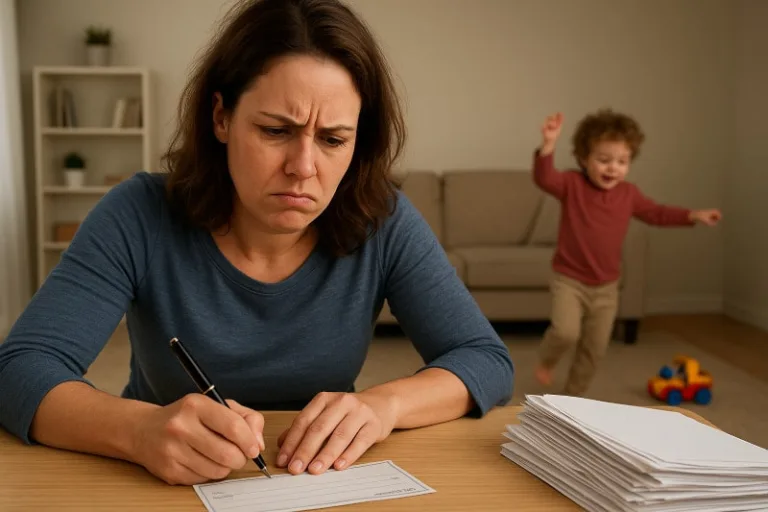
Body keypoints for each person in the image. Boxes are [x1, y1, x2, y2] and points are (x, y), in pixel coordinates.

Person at [0, 0, 513, 486]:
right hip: (157, 482)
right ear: (221, 117)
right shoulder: (139, 214)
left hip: (318, 481)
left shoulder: (384, 220)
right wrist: (138, 431)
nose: (304, 168)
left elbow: (483, 359)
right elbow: (19, 370)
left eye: (333, 140)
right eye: (275, 130)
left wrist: (386, 406)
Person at [532, 109, 721, 396]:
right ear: (584, 159)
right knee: (565, 332)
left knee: (594, 349)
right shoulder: (572, 184)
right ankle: (547, 360)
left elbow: (657, 213)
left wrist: (692, 215)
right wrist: (548, 144)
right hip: (569, 280)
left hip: (607, 288)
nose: (613, 168)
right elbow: (545, 179)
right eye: (603, 160)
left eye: (622, 161)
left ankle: (573, 399)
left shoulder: (629, 194)